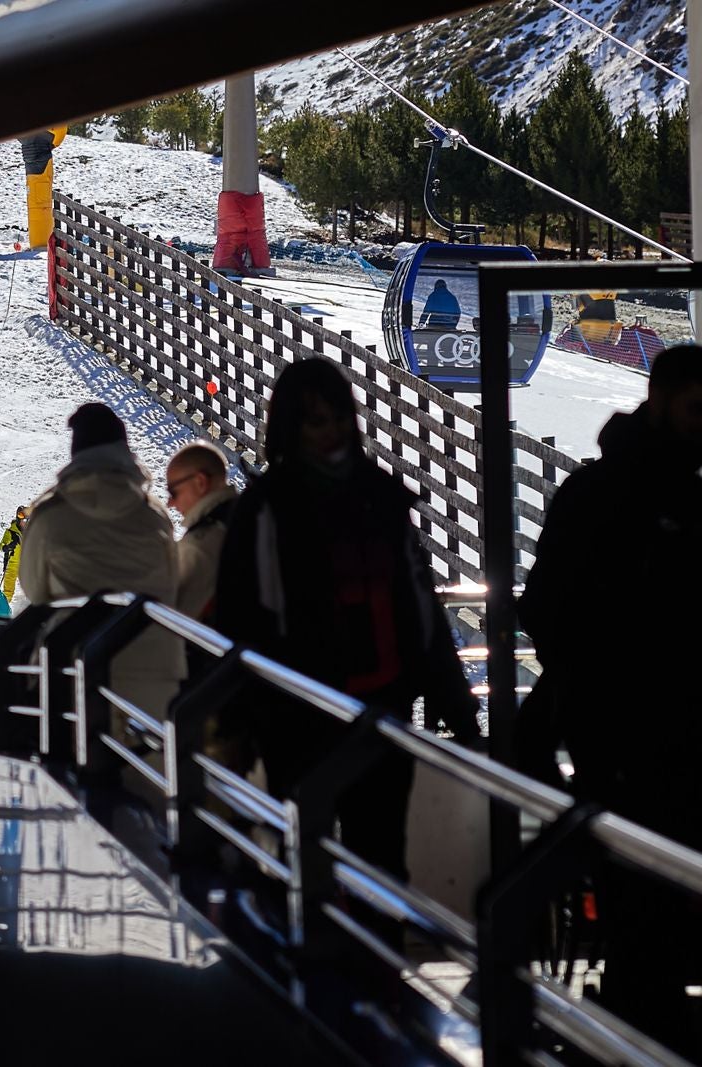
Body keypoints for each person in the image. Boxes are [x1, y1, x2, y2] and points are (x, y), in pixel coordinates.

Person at [215, 358, 478, 888]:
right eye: (316, 421)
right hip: (297, 710)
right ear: (290, 426)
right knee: (303, 849)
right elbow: (241, 617)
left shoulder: (380, 498)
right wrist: (239, 720)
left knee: (380, 855)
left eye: (338, 417)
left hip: (383, 705)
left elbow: (417, 604)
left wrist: (454, 701)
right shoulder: (266, 510)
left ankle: (370, 962)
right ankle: (314, 958)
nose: (331, 431)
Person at [518, 344, 702, 1049]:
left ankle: (640, 1027)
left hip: (637, 734)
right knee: (645, 901)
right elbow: (552, 611)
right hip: (628, 737)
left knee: (647, 900)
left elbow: (545, 612)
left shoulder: (616, 491)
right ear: (661, 402)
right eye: (696, 410)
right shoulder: (617, 497)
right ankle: (646, 1026)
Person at [21, 403, 187, 721]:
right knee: (150, 767)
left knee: (86, 760)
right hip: (155, 662)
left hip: (77, 664)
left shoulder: (51, 514)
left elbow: (35, 589)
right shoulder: (153, 515)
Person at [166, 442, 238, 623]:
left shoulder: (199, 547)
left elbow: (177, 620)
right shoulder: (247, 515)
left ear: (200, 482)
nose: (170, 503)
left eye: (173, 492)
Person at [0, 506, 28, 602]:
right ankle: (2, 611)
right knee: (8, 590)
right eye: (21, 517)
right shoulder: (10, 532)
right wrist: (6, 547)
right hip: (12, 564)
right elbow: (1, 545)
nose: (24, 521)